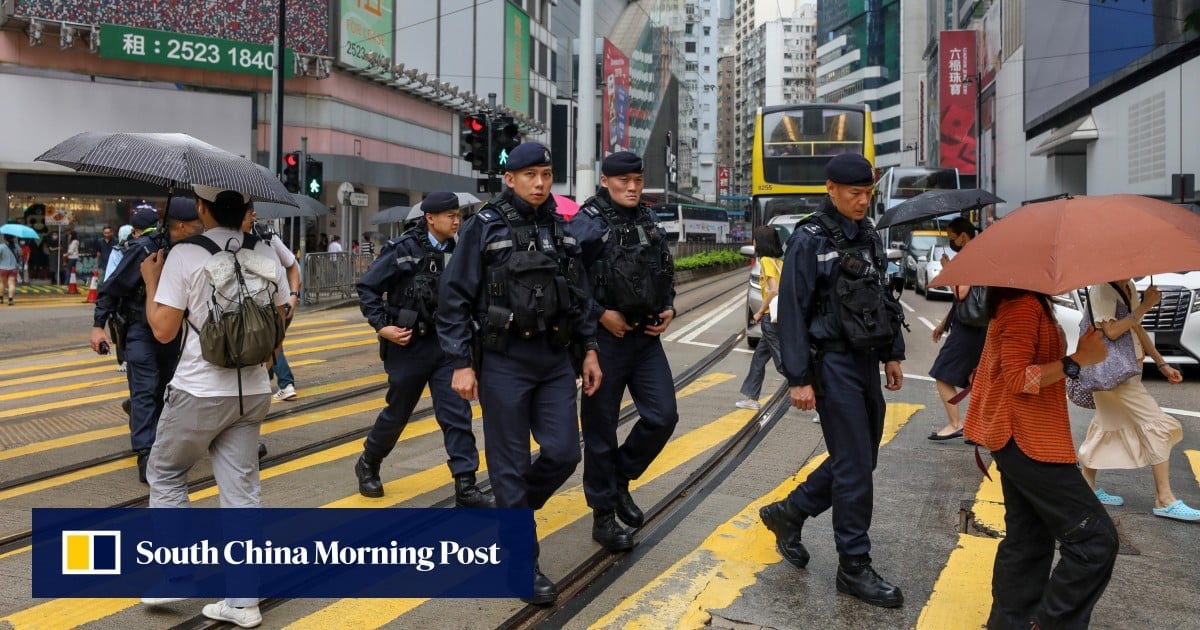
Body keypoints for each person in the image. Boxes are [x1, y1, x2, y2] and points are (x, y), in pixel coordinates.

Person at [438, 142, 602, 606]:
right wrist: (461, 363)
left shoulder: (562, 228)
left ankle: (513, 516)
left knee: (565, 452)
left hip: (553, 360)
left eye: (547, 174)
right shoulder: (482, 228)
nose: (540, 183)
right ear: (509, 179)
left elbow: (580, 294)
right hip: (503, 361)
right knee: (508, 467)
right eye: (530, 174)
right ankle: (519, 562)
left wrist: (589, 350)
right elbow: (453, 299)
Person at [759, 153, 908, 608]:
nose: (863, 202)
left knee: (859, 461)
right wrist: (799, 378)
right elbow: (792, 313)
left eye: (868, 194)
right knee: (854, 467)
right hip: (832, 366)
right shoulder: (809, 238)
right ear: (831, 189)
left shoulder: (866, 235)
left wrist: (892, 354)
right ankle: (854, 567)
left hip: (865, 362)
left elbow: (881, 297)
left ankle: (790, 512)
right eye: (854, 194)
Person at [138, 184, 287, 628]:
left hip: (199, 391)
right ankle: (243, 602)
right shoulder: (266, 250)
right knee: (241, 494)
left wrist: (151, 281)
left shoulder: (184, 254)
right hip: (253, 390)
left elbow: (163, 330)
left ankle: (177, 574)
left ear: (202, 208)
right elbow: (281, 319)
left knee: (165, 473)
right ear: (245, 211)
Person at [963, 288, 1118, 628]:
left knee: (1028, 541)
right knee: (1096, 540)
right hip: (1028, 439)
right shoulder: (1023, 306)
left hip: (1021, 437)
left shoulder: (1027, 303)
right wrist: (1077, 360)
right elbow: (1018, 378)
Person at [354, 191, 493, 508]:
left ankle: (466, 483)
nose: (457, 221)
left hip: (448, 346)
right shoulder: (402, 250)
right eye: (450, 216)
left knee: (457, 414)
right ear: (430, 218)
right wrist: (381, 326)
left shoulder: (462, 251)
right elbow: (367, 288)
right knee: (398, 413)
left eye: (458, 215)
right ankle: (369, 462)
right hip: (408, 345)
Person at [572, 151, 678, 552]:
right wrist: (600, 317)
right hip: (605, 343)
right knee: (600, 430)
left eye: (637, 180)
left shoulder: (648, 220)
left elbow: (664, 271)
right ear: (604, 181)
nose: (632, 188)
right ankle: (602, 515)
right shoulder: (586, 225)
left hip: (646, 339)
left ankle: (617, 480)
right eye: (623, 182)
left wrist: (670, 306)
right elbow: (568, 283)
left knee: (663, 415)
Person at [92, 202, 203, 482]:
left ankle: (156, 439)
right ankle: (145, 454)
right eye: (195, 223)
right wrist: (98, 327)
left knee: (164, 390)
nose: (200, 227)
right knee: (144, 388)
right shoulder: (145, 248)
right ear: (181, 225)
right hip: (139, 329)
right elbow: (111, 288)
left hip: (170, 330)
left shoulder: (191, 250)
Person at [1077, 280, 1200, 522]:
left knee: (1106, 425)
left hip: (1126, 369)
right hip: (1109, 372)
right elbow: (1111, 331)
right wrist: (1145, 306)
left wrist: (1162, 363)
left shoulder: (1129, 286)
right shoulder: (1102, 288)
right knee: (1158, 425)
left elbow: (1136, 328)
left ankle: (1086, 487)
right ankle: (1164, 499)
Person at [927, 218, 988, 440]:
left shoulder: (970, 257)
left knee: (942, 374)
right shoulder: (980, 253)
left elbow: (961, 293)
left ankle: (955, 423)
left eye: (953, 238)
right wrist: (943, 324)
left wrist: (949, 271)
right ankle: (981, 430)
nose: (951, 242)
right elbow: (963, 302)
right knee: (975, 379)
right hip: (977, 327)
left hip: (968, 330)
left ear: (964, 236)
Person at [241, 210, 302, 402]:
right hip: (255, 309)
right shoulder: (229, 238)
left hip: (279, 305)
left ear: (252, 215)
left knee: (272, 345)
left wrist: (293, 295)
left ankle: (285, 383)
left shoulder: (266, 236)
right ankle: (265, 382)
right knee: (269, 345)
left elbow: (293, 266)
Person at [735, 225, 786, 410]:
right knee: (759, 357)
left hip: (770, 319)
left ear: (761, 242)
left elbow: (774, 290)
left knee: (784, 364)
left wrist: (758, 312)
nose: (753, 242)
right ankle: (751, 398)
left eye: (755, 239)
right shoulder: (779, 262)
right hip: (777, 318)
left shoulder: (765, 261)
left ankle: (819, 401)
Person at [0, 236, 19, 306]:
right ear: (13, 238)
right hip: (13, 268)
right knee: (11, 284)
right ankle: (10, 300)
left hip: (2, 268)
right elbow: (20, 254)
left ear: (5, 238)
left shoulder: (1, 246)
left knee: (2, 283)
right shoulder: (16, 246)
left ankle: (1, 299)